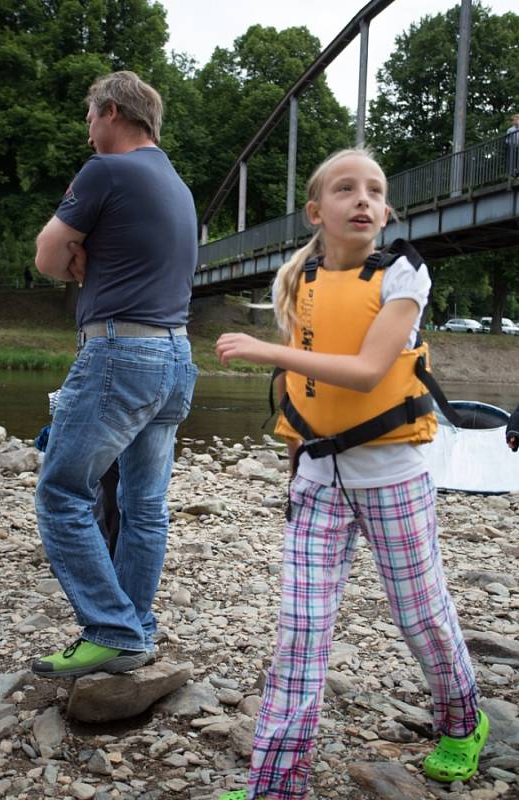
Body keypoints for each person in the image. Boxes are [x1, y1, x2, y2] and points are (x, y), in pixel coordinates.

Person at [215, 148, 489, 799]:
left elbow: (368, 371)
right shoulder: (299, 281)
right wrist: (291, 473)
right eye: (345, 189)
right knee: (300, 631)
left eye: (374, 189)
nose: (362, 199)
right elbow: (297, 391)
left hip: (392, 477)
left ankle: (461, 722)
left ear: (385, 210)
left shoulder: (403, 276)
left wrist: (262, 349)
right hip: (316, 482)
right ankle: (275, 784)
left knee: (419, 615)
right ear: (317, 211)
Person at [32, 70, 198, 678]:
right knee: (144, 504)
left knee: (61, 493)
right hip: (176, 356)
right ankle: (137, 628)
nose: (86, 130)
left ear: (110, 110)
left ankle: (112, 629)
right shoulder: (176, 183)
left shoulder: (107, 171)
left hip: (119, 355)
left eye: (88, 118)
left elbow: (49, 256)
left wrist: (79, 257)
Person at [505, 113, 519, 177]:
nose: (516, 121)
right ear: (513, 121)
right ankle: (513, 174)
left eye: (517, 119)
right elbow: (507, 140)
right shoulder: (510, 129)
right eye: (515, 119)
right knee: (513, 161)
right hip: (513, 147)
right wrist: (510, 144)